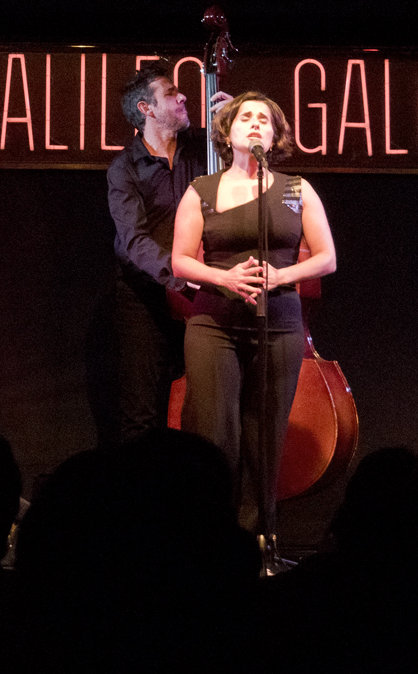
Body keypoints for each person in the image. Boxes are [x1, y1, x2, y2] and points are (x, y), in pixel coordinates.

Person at [170, 92, 336, 534]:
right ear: (228, 132)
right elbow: (180, 261)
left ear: (276, 135)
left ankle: (258, 540)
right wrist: (223, 278)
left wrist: (282, 276)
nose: (256, 123)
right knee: (214, 434)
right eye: (246, 117)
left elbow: (327, 257)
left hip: (278, 325)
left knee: (266, 437)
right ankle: (208, 535)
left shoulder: (297, 189)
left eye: (265, 118)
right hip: (214, 324)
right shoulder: (201, 190)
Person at [104, 62, 227, 444]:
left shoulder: (206, 148)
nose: (184, 96)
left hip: (203, 292)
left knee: (211, 407)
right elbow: (133, 242)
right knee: (141, 413)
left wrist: (233, 127)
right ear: (147, 109)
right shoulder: (124, 168)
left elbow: (257, 177)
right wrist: (183, 273)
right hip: (145, 298)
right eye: (171, 93)